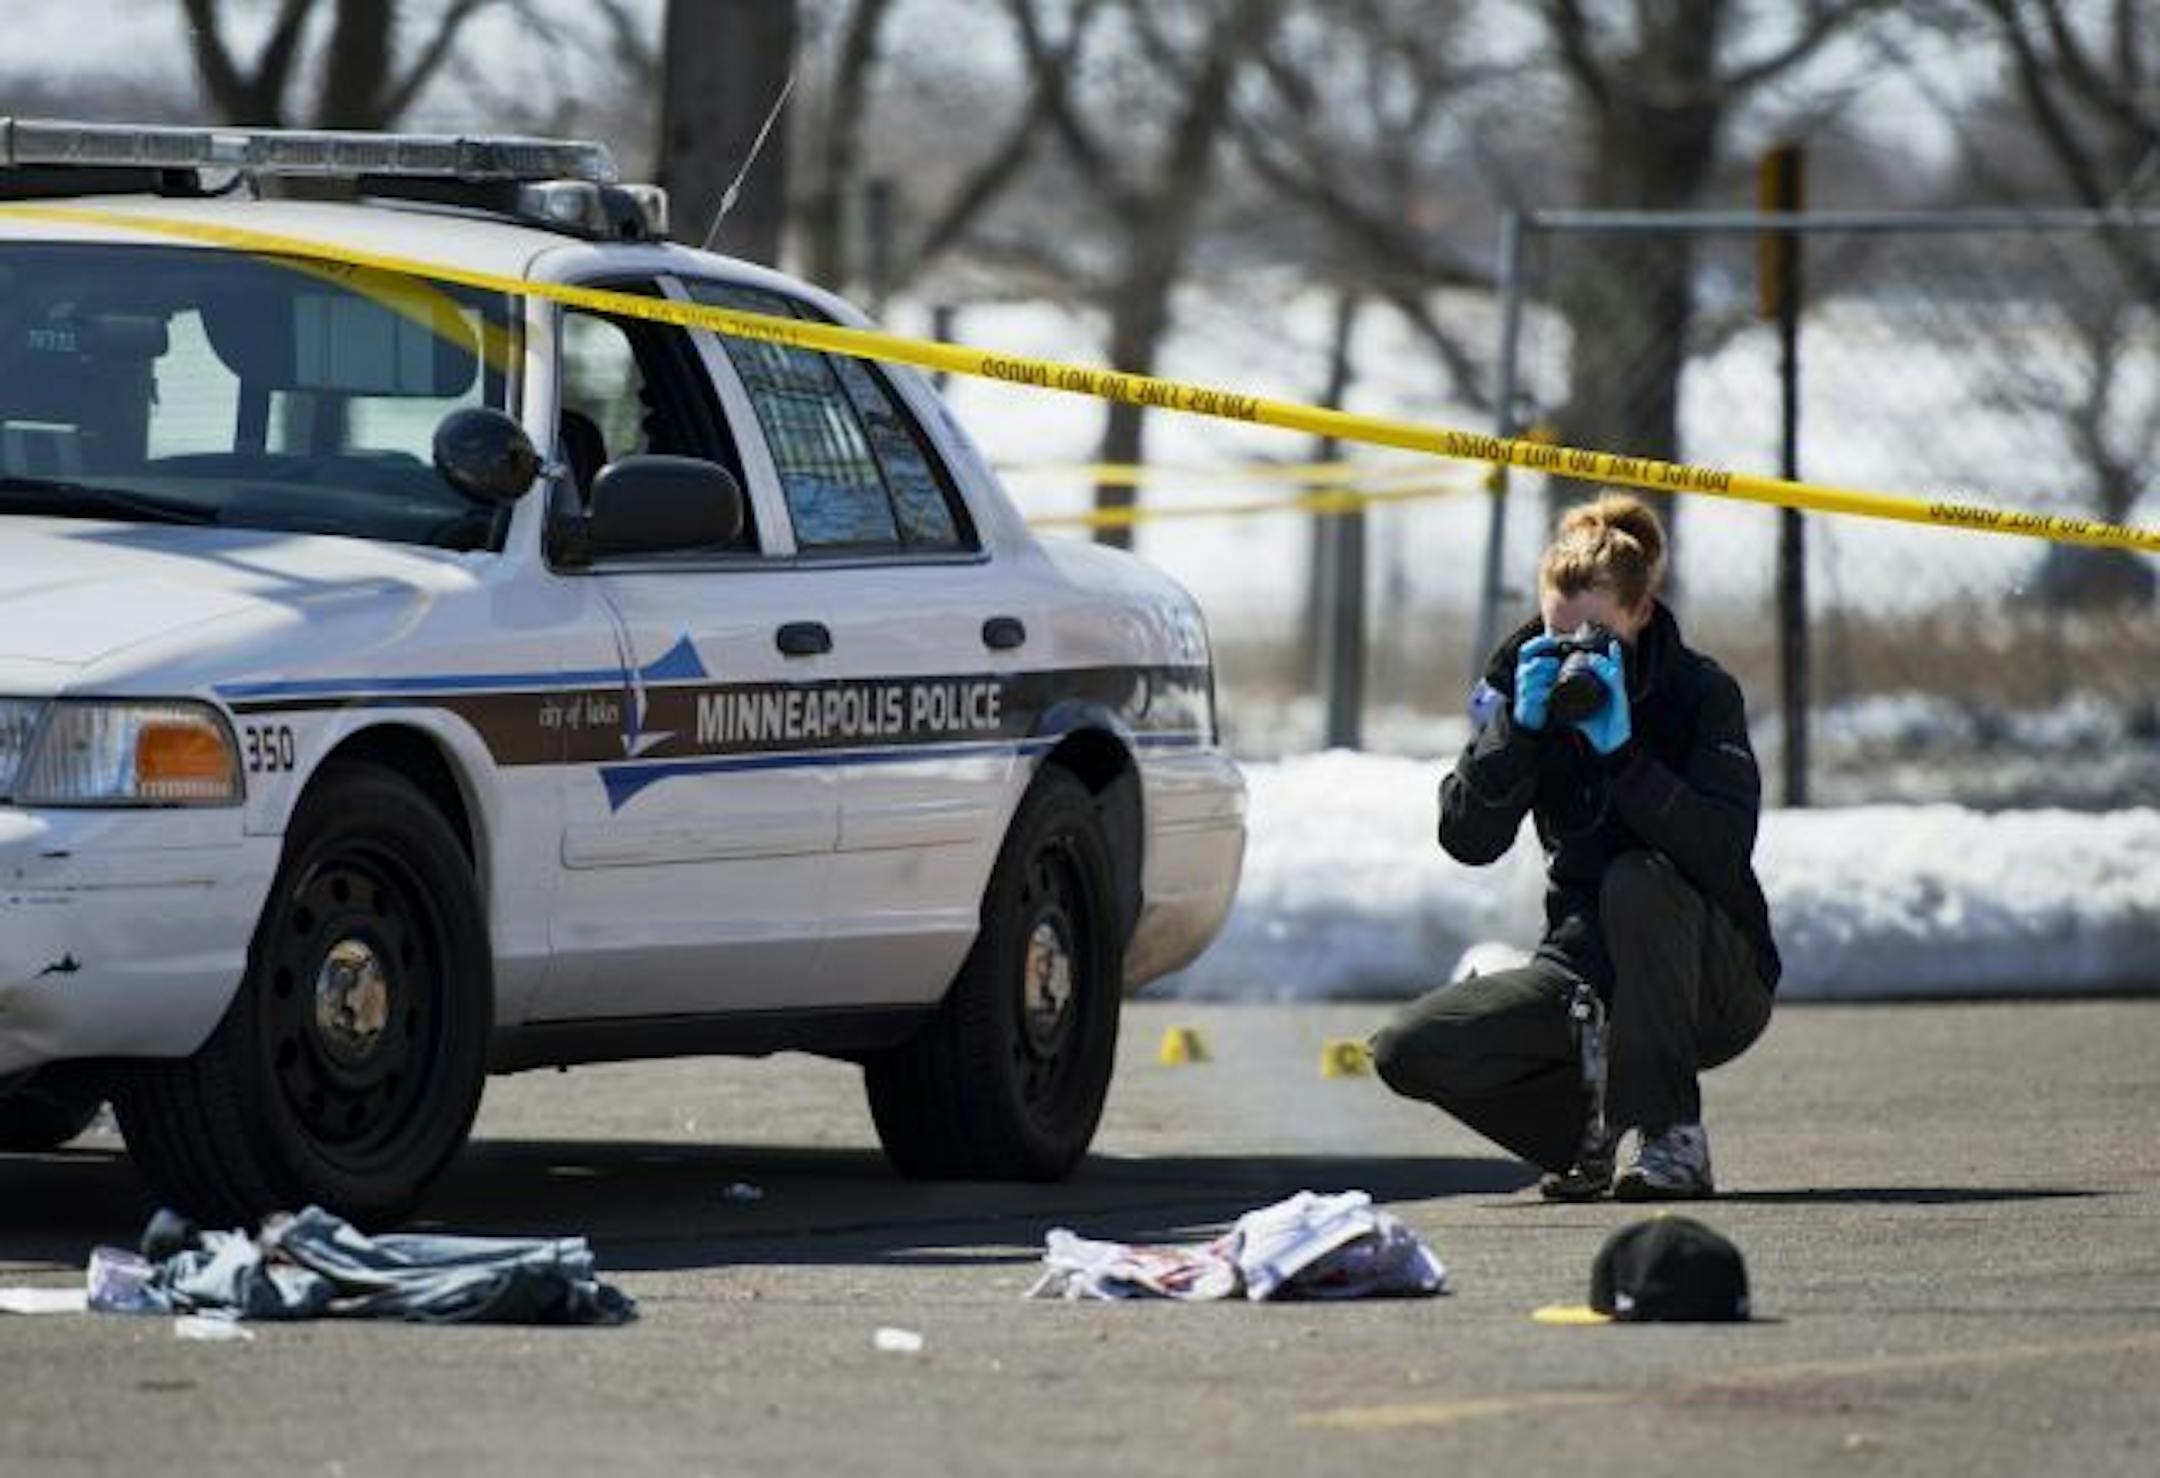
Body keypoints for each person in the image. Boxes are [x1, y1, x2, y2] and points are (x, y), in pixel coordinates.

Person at [1371, 493, 1780, 1201]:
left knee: (1636, 878)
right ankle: (1583, 1134)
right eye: (1561, 638)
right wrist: (1516, 733)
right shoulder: (1519, 683)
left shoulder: (1699, 693)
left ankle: (1671, 1135)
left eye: (1598, 641)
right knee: (1410, 1048)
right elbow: (1467, 840)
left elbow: (1723, 851)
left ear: (1641, 613)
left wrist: (1626, 759)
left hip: (1713, 974)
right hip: (1585, 967)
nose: (1575, 661)